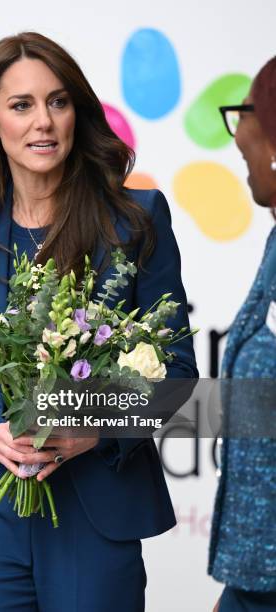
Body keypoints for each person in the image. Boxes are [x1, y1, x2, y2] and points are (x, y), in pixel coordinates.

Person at [0, 32, 198, 612]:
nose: (42, 122)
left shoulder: (136, 220)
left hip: (96, 511)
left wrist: (92, 430)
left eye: (58, 101)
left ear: (77, 112)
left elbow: (179, 375)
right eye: (21, 105)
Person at [209, 57, 276, 612]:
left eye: (247, 113)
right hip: (256, 577)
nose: (238, 137)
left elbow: (259, 403)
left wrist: (93, 410)